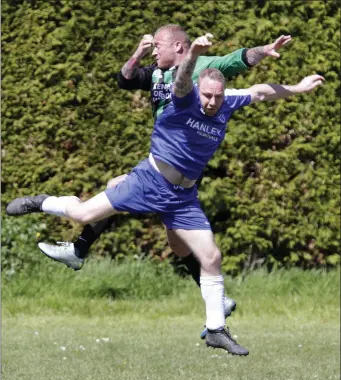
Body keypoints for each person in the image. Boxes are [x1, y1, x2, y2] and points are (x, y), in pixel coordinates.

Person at [7, 32, 324, 355]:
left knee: (211, 257)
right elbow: (183, 78)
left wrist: (298, 88)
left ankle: (216, 329)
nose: (212, 102)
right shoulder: (185, 97)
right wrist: (194, 54)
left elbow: (259, 92)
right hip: (150, 181)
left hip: (182, 197)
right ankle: (42, 202)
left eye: (217, 96)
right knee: (81, 214)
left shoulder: (225, 102)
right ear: (198, 91)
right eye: (208, 96)